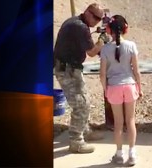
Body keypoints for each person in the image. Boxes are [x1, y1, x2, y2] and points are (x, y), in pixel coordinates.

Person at [54, 3, 106, 154]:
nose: (97, 21)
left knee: (85, 100)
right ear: (87, 13)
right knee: (80, 105)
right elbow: (91, 52)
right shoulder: (80, 27)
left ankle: (84, 131)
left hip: (71, 68)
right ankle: (76, 141)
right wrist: (102, 40)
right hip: (67, 70)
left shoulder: (75, 22)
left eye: (100, 18)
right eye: (96, 17)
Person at [99, 15, 143, 166]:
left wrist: (105, 89)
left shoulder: (105, 48)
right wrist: (139, 87)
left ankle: (119, 154)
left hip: (113, 87)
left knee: (118, 123)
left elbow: (102, 73)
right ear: (125, 29)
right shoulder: (131, 45)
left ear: (109, 30)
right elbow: (136, 71)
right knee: (130, 121)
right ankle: (132, 154)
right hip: (130, 86)